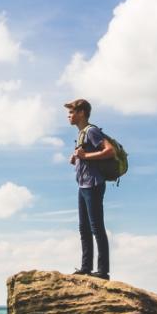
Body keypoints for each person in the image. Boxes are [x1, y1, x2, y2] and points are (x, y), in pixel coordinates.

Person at [66, 98, 115, 280]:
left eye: (71, 112)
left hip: (93, 184)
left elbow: (110, 151)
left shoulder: (91, 131)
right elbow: (86, 156)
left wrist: (85, 155)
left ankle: (103, 271)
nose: (69, 116)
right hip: (83, 184)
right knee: (84, 228)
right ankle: (86, 267)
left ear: (81, 113)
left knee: (96, 227)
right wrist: (78, 158)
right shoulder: (81, 133)